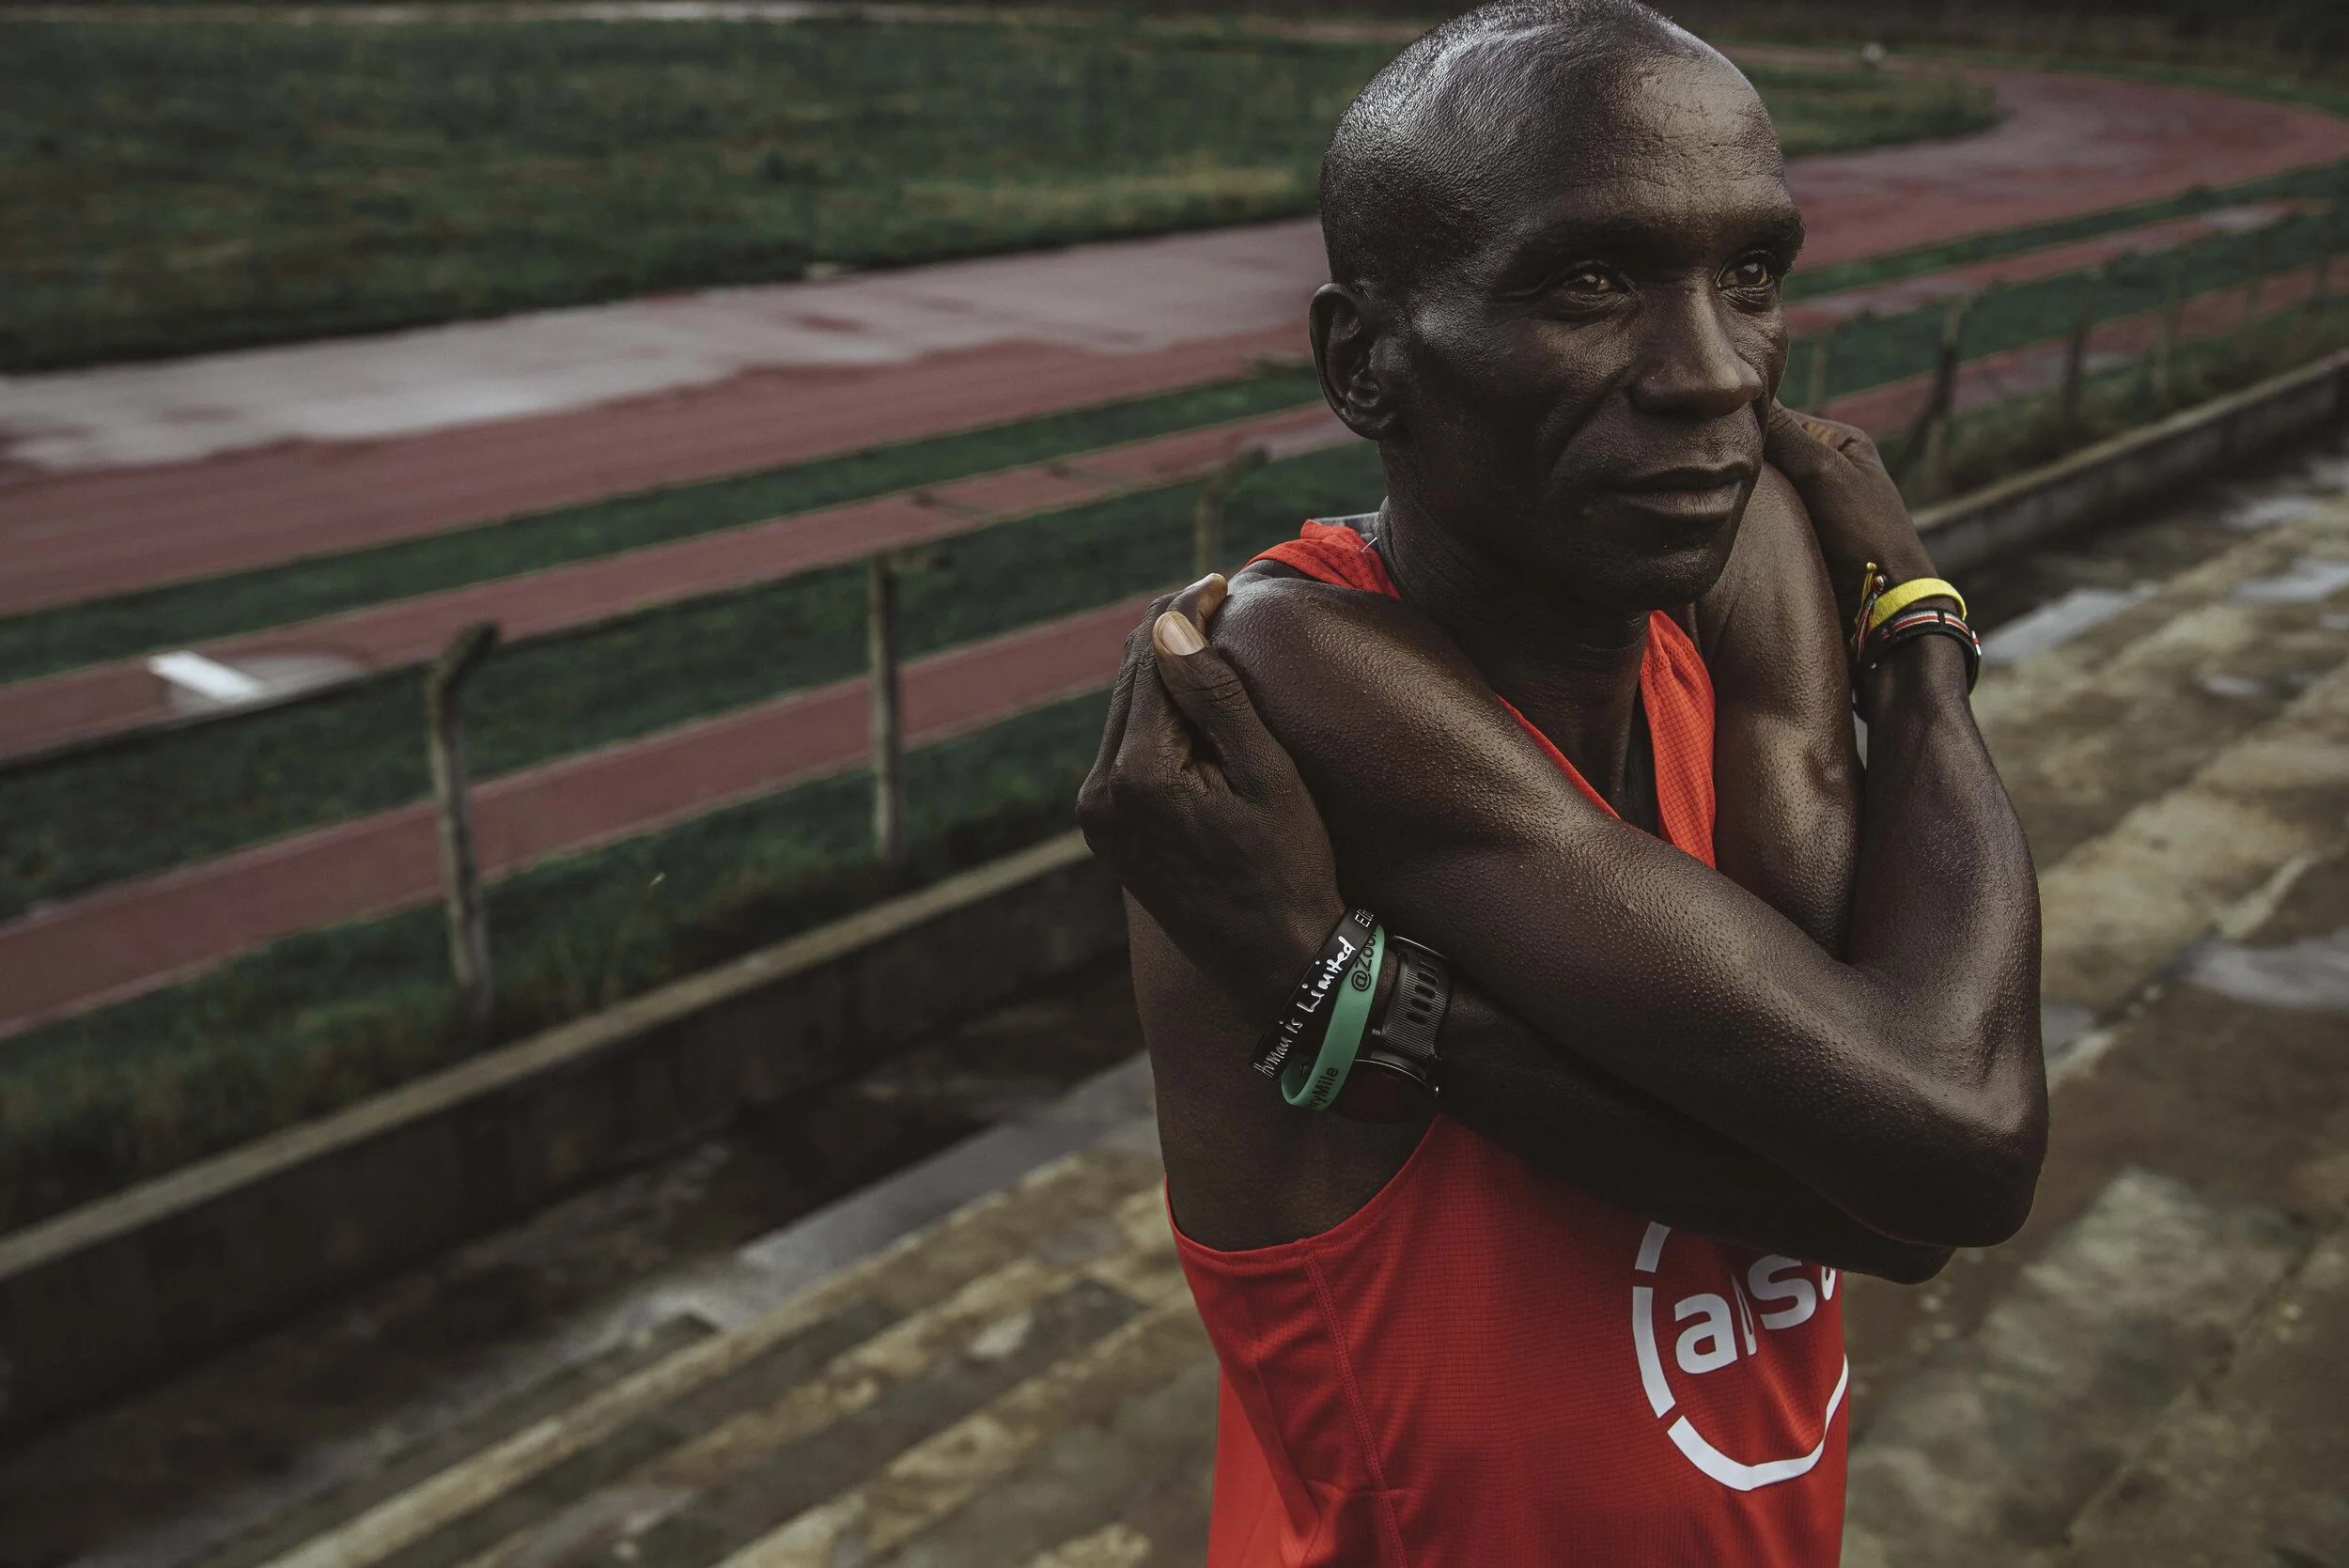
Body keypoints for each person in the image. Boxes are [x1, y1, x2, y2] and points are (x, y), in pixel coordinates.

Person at [1073, 3, 2046, 1563]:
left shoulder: (1711, 559)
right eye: (1591, 281)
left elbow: (1904, 1200)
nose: (1714, 375)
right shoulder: (1294, 668)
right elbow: (1958, 1133)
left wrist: (1367, 1009)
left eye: (1752, 277)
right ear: (1365, 361)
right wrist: (1916, 654)